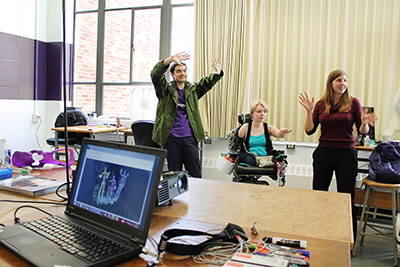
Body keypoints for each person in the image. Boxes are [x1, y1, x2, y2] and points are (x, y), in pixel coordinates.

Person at [298, 69, 378, 242]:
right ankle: (319, 234)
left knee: (346, 197)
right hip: (324, 153)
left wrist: (365, 123)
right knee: (319, 195)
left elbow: (363, 131)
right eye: (339, 80)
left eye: (345, 81)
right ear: (331, 83)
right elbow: (309, 130)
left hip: (346, 154)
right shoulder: (320, 104)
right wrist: (308, 111)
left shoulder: (352, 103)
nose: (343, 83)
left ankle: (348, 239)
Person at [150, 52, 223, 178]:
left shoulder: (193, 89)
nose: (182, 73)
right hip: (171, 139)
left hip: (190, 138)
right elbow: (155, 74)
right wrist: (170, 59)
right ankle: (176, 198)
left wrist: (217, 74)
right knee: (174, 175)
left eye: (184, 71)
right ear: (172, 75)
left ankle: (196, 198)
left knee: (195, 173)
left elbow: (206, 83)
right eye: (178, 71)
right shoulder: (165, 90)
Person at [237, 99, 292, 166]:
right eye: (259, 111)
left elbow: (279, 134)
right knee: (249, 160)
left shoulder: (269, 128)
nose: (262, 114)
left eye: (264, 112)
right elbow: (238, 145)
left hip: (266, 158)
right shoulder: (245, 128)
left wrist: (282, 132)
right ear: (252, 114)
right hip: (250, 158)